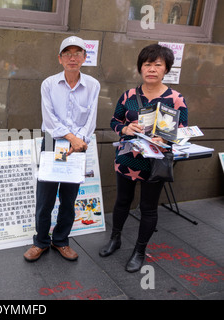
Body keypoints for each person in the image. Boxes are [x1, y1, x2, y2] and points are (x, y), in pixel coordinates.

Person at [99, 44, 188, 272]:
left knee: (148, 208)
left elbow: (182, 131)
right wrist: (126, 129)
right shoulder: (129, 95)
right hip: (128, 159)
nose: (151, 69)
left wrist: (166, 141)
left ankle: (139, 250)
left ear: (166, 68)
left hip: (155, 163)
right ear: (140, 68)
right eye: (147, 64)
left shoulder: (176, 99)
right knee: (122, 202)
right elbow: (114, 121)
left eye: (158, 64)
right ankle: (115, 239)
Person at [23, 36, 100, 262]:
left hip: (79, 144)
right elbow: (49, 119)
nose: (72, 58)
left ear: (85, 58)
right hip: (52, 141)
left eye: (77, 53)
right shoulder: (48, 84)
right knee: (45, 197)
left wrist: (79, 140)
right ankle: (41, 241)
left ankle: (61, 240)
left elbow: (92, 119)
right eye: (67, 53)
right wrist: (70, 138)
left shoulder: (93, 85)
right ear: (60, 58)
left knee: (69, 197)